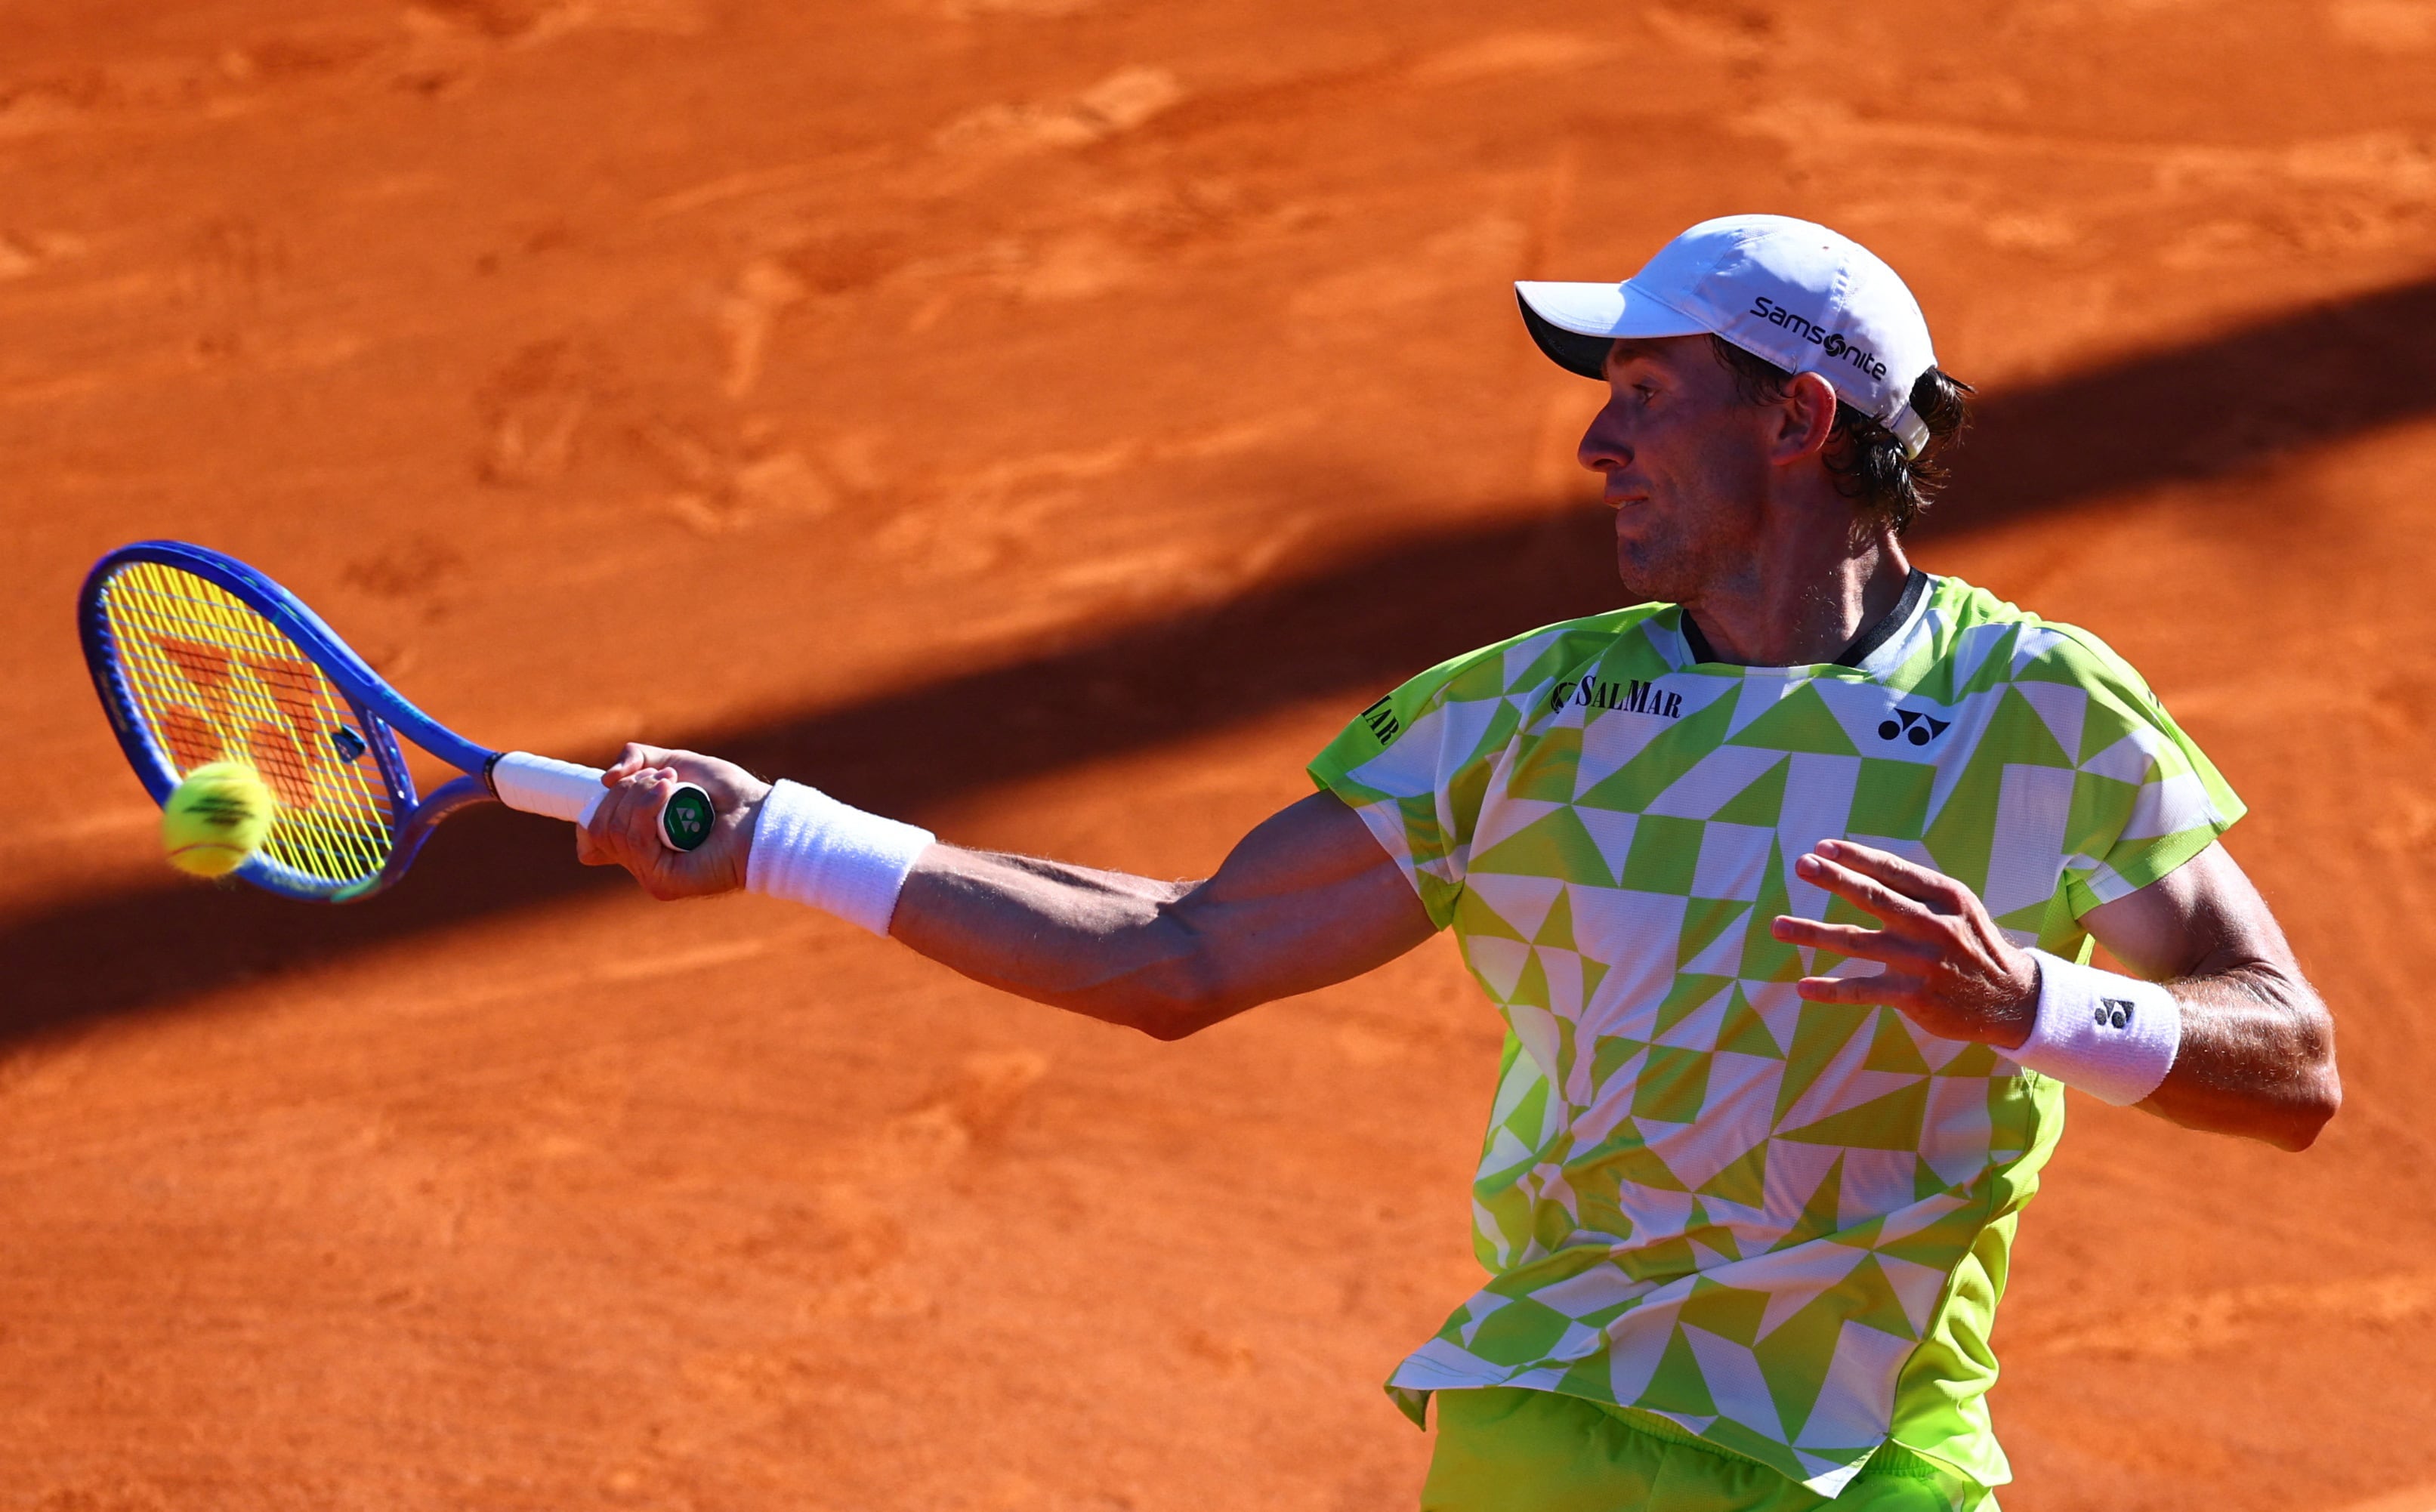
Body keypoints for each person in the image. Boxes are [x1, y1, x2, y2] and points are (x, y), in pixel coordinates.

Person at [574, 214, 2340, 1510]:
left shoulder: (2035, 708)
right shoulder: (1525, 715)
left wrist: (2038, 1001)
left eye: (1647, 393)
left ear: (1794, 424)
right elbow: (1175, 952)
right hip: (1549, 1416)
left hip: (1865, 1452)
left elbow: (2288, 1057)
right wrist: (784, 838)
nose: (1596, 440)